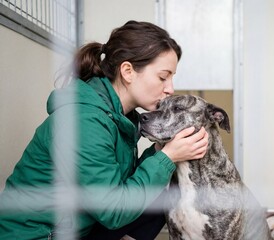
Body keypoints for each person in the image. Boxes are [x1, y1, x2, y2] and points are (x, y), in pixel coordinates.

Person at [0, 20, 208, 239]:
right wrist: (167, 157)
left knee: (160, 199)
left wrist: (158, 150)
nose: (170, 89)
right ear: (128, 71)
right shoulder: (85, 121)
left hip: (79, 224)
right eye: (163, 77)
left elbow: (121, 185)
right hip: (37, 235)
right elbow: (114, 211)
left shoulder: (120, 116)